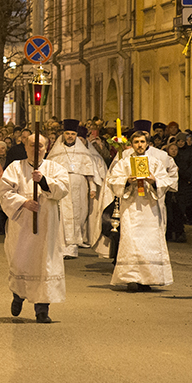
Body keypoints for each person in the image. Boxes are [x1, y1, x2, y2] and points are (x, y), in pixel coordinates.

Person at [0, 132, 69, 323]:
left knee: (45, 265)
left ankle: (42, 309)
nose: (36, 149)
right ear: (25, 147)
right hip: (23, 226)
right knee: (21, 261)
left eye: (40, 146)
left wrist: (44, 181)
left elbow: (63, 188)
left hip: (46, 227)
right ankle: (18, 295)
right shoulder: (15, 168)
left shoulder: (55, 168)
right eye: (32, 145)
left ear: (46, 148)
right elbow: (4, 193)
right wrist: (23, 202)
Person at [107, 131, 176, 291]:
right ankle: (132, 278)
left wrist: (154, 181)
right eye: (136, 142)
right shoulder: (124, 163)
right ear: (131, 144)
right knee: (131, 242)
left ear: (147, 144)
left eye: (142, 142)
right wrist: (126, 181)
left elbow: (166, 182)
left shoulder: (155, 163)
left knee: (150, 243)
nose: (139, 145)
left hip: (150, 210)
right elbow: (112, 181)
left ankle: (148, 279)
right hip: (131, 209)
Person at [46, 119, 98, 258]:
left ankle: (74, 247)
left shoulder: (83, 151)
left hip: (79, 189)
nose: (70, 136)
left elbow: (90, 172)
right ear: (63, 134)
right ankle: (63, 248)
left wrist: (92, 187)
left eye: (73, 134)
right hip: (62, 188)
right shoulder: (56, 151)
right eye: (67, 133)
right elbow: (49, 170)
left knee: (78, 216)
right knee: (62, 216)